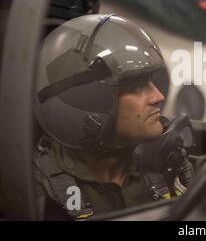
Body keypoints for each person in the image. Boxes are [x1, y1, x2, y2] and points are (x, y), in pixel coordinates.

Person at [33, 14, 193, 220]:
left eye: (151, 82)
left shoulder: (167, 165)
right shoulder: (39, 192)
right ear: (86, 102)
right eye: (136, 87)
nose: (158, 97)